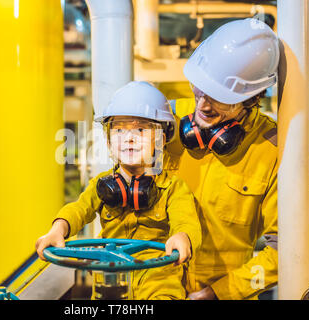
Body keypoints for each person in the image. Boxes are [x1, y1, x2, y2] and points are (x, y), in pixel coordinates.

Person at [36, 81, 202, 300]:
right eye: (119, 130)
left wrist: (183, 237)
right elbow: (79, 209)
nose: (129, 138)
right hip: (110, 277)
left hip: (158, 277)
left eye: (141, 129)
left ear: (160, 140)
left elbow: (186, 221)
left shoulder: (173, 187)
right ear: (108, 140)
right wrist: (58, 229)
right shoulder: (101, 185)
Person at [164, 18, 279, 300]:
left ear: (251, 98)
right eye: (199, 88)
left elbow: (283, 253)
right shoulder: (168, 119)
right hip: (154, 289)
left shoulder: (272, 148)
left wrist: (221, 293)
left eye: (219, 98)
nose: (202, 105)